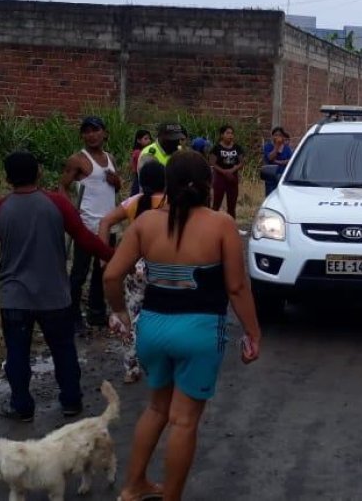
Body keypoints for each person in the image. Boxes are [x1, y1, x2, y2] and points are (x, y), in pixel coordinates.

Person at [103, 152, 262, 501]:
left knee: (156, 408)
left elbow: (111, 274)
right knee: (184, 420)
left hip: (153, 329)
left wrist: (120, 313)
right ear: (208, 184)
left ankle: (133, 486)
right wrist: (253, 332)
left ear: (167, 184)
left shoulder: (144, 223)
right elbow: (236, 287)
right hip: (200, 331)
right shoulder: (221, 224)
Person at [0, 151, 114, 422]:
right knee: (63, 350)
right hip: (55, 296)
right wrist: (117, 257)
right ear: (38, 172)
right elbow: (86, 239)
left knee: (17, 353)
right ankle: (71, 401)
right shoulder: (57, 204)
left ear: (7, 178)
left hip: (15, 297)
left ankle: (21, 406)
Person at [98, 161, 167, 383]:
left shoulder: (134, 202)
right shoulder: (170, 202)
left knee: (130, 315)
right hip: (162, 267)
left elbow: (105, 221)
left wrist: (104, 254)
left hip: (134, 267)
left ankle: (131, 369)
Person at [61, 116, 121, 329]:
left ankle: (96, 313)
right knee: (79, 272)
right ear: (82, 136)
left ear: (104, 133)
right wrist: (72, 214)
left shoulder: (110, 158)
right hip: (86, 225)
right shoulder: (77, 159)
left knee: (102, 272)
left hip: (108, 223)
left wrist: (117, 182)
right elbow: (62, 187)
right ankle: (72, 315)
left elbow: (115, 186)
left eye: (95, 130)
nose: (91, 135)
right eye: (86, 131)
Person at [210, 124, 243, 218]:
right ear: (222, 135)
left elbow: (241, 162)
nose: (230, 135)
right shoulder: (216, 148)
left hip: (233, 178)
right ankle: (212, 226)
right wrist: (224, 172)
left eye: (232, 133)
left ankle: (232, 226)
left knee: (232, 206)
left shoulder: (237, 147)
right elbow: (212, 163)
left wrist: (233, 169)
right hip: (220, 178)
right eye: (227, 133)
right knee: (216, 204)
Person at [262, 126, 293, 197]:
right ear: (272, 136)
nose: (277, 137)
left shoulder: (287, 148)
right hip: (271, 179)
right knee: (271, 197)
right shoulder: (268, 146)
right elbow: (270, 157)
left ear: (283, 137)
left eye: (280, 135)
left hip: (282, 177)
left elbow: (290, 161)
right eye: (276, 135)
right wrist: (277, 146)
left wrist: (276, 162)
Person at [130, 129, 154, 196]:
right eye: (145, 139)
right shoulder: (138, 153)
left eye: (149, 138)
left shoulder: (146, 152)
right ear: (138, 140)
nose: (149, 141)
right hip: (139, 179)